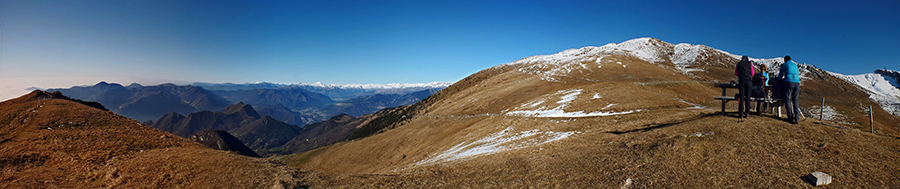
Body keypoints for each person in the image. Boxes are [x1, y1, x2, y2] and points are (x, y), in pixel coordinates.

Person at [778, 55, 801, 124]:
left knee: (787, 99)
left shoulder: (785, 64)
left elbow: (780, 74)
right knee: (795, 100)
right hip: (797, 82)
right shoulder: (795, 65)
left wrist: (779, 80)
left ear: (785, 60)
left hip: (789, 82)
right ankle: (797, 118)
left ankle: (790, 118)